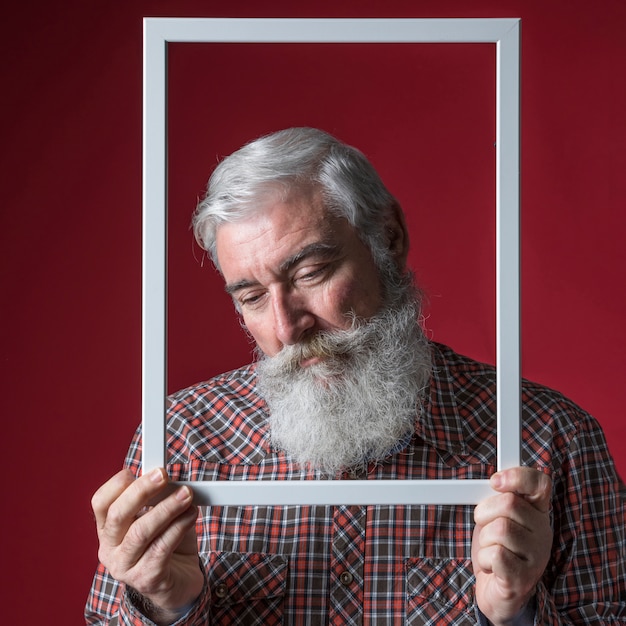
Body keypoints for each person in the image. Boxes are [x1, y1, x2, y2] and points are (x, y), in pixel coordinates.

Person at [87, 127, 625, 625]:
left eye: (310, 273)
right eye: (251, 297)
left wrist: (516, 615)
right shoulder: (179, 438)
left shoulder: (553, 440)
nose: (286, 327)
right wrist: (165, 608)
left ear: (388, 239)